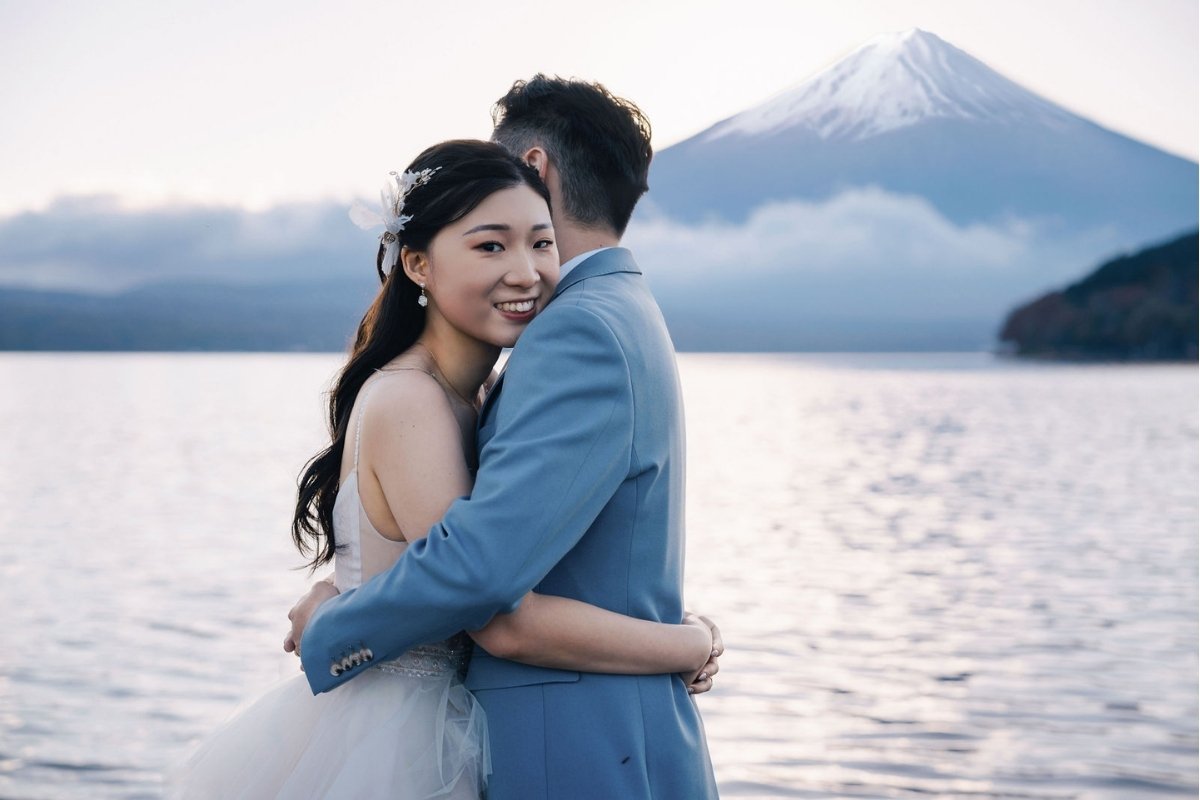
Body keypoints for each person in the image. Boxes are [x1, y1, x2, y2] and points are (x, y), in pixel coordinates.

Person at [166, 140, 719, 799]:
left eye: (541, 244)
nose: (526, 272)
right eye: (491, 246)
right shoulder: (412, 402)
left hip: (457, 729)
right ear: (419, 264)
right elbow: (497, 616)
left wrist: (340, 598)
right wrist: (687, 645)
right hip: (400, 746)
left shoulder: (475, 397)